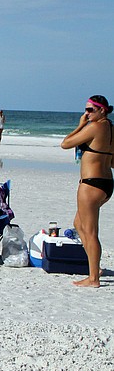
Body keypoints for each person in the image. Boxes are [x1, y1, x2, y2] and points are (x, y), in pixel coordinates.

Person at [60, 95, 113, 288]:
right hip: (106, 184)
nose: (86, 113)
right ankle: (94, 267)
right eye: (86, 110)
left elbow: (66, 143)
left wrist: (80, 125)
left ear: (102, 110)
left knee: (90, 232)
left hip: (90, 184)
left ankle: (93, 278)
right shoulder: (110, 129)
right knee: (78, 224)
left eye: (90, 110)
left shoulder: (95, 127)